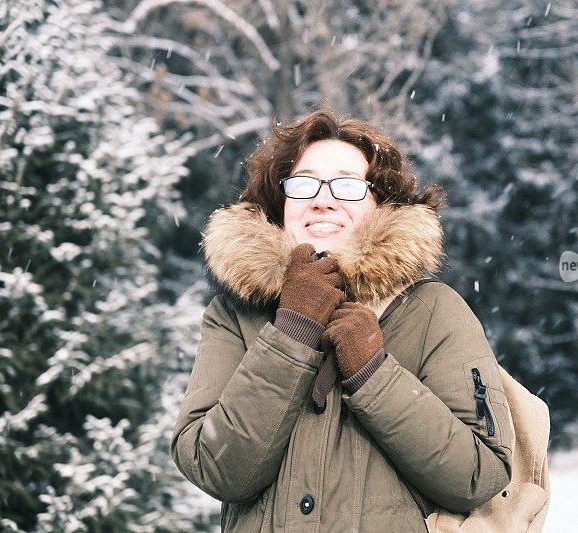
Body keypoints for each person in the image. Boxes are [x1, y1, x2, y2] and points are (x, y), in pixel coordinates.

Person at [171, 108, 513, 532]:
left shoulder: (433, 312)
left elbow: (478, 476)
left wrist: (374, 374)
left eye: (348, 185)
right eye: (304, 182)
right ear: (280, 203)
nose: (323, 198)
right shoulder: (234, 314)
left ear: (380, 204)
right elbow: (214, 468)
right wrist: (291, 332)